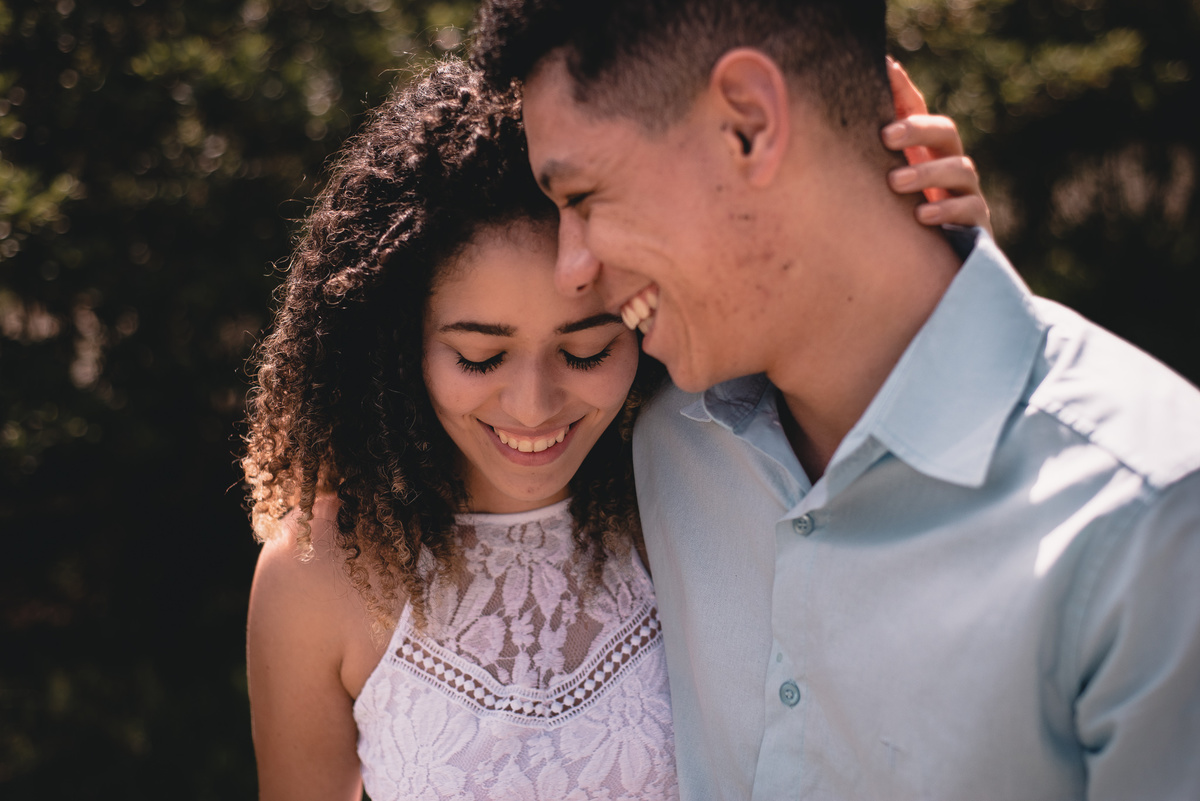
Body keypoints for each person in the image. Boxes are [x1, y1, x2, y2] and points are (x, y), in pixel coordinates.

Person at [471, 2, 1200, 800]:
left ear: (748, 123)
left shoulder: (1151, 522)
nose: (570, 269)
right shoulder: (659, 431)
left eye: (582, 197)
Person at [242, 56, 988, 800]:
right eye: (479, 356)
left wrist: (937, 268)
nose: (533, 406)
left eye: (587, 349)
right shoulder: (318, 574)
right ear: (397, 344)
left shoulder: (698, 470)